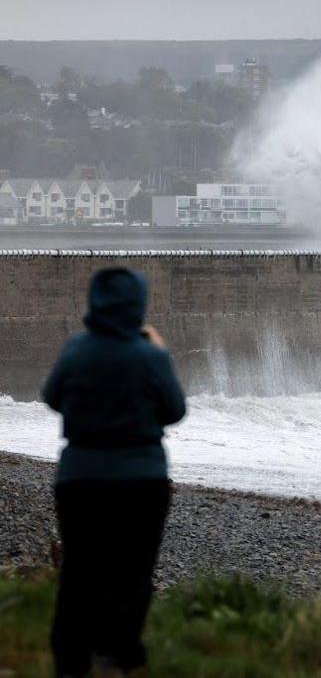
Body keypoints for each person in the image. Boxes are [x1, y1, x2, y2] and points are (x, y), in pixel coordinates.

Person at [42, 267, 187, 677]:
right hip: (141, 480)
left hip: (81, 477)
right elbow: (175, 410)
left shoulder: (76, 350)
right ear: (138, 306)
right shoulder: (150, 356)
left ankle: (71, 661)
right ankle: (117, 653)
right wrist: (160, 351)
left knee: (80, 570)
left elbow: (52, 397)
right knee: (133, 571)